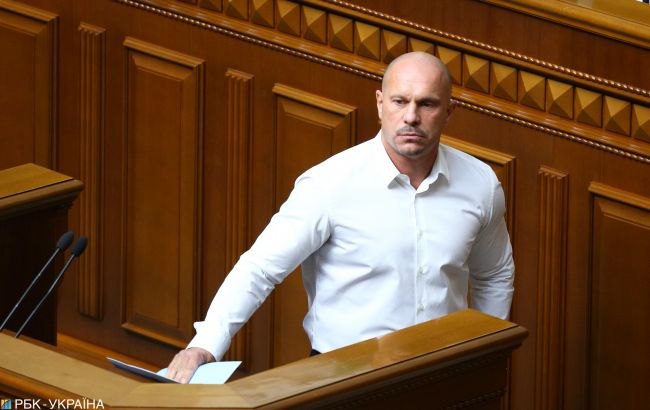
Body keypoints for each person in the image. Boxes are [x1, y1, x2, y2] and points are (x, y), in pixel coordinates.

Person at [166, 51, 514, 383]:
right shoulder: (329, 185)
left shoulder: (480, 184)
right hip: (343, 378)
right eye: (399, 101)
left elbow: (494, 274)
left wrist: (483, 352)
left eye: (426, 104)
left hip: (445, 375)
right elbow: (260, 268)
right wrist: (205, 345)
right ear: (380, 104)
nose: (411, 116)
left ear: (449, 111)